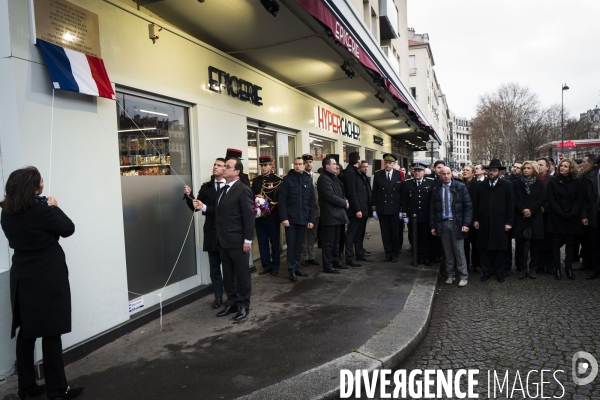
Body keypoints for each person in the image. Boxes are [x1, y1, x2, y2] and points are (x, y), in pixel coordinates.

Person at [1, 167, 83, 400]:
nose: (44, 182)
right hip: (47, 275)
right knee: (51, 332)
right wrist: (55, 206)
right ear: (34, 187)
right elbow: (68, 228)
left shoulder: (6, 212)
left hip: (22, 275)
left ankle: (26, 389)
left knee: (26, 333)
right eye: (41, 181)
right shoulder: (42, 211)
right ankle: (57, 390)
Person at [202, 158, 254, 321]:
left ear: (237, 172)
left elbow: (248, 217)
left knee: (242, 275)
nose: (224, 169)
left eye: (227, 167)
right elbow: (218, 213)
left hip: (238, 241)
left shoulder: (242, 189)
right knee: (228, 274)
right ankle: (231, 303)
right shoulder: (223, 189)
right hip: (222, 241)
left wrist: (248, 240)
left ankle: (244, 305)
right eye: (223, 166)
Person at [184, 158, 227, 309]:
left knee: (229, 269)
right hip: (211, 234)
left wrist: (205, 208)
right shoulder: (206, 187)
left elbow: (224, 211)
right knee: (214, 269)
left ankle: (232, 296)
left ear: (225, 169)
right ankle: (217, 297)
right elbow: (196, 207)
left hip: (227, 235)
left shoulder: (230, 187)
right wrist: (189, 197)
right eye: (214, 165)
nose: (215, 167)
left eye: (219, 165)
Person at [473, 159, 514, 282]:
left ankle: (499, 271)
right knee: (484, 248)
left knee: (500, 248)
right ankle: (486, 271)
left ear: (499, 172)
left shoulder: (506, 185)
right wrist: (475, 219)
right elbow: (475, 204)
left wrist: (509, 222)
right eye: (490, 170)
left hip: (500, 222)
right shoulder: (481, 185)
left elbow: (511, 205)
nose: (492, 173)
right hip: (484, 222)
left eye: (494, 171)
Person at [430, 167, 472, 287]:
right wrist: (433, 225)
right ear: (440, 175)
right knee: (447, 251)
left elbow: (468, 207)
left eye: (448, 174)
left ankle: (463, 276)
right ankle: (450, 275)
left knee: (459, 251)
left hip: (456, 223)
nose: (446, 176)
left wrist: (466, 224)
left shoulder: (460, 187)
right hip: (443, 223)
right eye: (444, 174)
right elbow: (432, 209)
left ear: (452, 174)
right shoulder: (436, 188)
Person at [546, 158, 584, 280]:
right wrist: (560, 212)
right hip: (557, 217)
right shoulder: (553, 181)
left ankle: (568, 268)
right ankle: (557, 268)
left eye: (566, 166)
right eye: (561, 166)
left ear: (571, 168)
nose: (562, 168)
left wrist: (572, 213)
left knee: (570, 244)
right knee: (555, 243)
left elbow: (580, 199)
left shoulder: (577, 182)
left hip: (572, 217)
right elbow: (551, 199)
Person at [279, 157, 315, 282]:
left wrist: (311, 219)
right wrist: (284, 218)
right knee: (291, 245)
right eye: (296, 164)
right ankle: (291, 269)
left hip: (303, 218)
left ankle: (297, 267)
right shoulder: (287, 180)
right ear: (293, 165)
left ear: (304, 165)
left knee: (299, 245)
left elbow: (311, 201)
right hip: (290, 219)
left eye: (300, 164)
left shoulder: (307, 179)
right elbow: (282, 201)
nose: (298, 166)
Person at [513, 161, 545, 279]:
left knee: (535, 244)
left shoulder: (539, 184)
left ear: (534, 170)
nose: (526, 170)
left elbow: (541, 198)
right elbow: (514, 199)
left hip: (535, 216)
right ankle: (522, 268)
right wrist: (523, 209)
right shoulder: (516, 183)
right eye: (524, 168)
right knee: (521, 244)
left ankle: (532, 267)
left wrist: (531, 209)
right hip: (521, 216)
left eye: (528, 168)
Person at [317, 156, 350, 273]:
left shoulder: (333, 177)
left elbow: (339, 193)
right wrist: (344, 203)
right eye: (334, 164)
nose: (337, 166)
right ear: (327, 166)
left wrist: (344, 200)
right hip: (330, 214)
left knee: (336, 241)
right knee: (328, 242)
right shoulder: (324, 178)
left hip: (337, 214)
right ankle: (327, 265)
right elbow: (330, 196)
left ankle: (335, 261)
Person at [252, 156, 283, 276]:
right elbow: (252, 194)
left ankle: (275, 265)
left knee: (274, 243)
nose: (263, 168)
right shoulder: (256, 180)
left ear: (271, 166)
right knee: (262, 243)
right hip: (260, 218)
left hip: (272, 216)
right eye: (262, 166)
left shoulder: (277, 180)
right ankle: (266, 265)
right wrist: (257, 204)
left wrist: (267, 205)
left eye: (266, 165)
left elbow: (278, 198)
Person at [372, 154, 403, 262]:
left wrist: (401, 210)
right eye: (386, 163)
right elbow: (374, 192)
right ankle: (388, 254)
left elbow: (401, 193)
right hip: (383, 208)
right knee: (385, 233)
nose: (388, 165)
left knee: (395, 233)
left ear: (394, 164)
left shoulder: (399, 174)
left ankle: (395, 254)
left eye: (390, 163)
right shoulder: (378, 174)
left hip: (394, 208)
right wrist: (374, 209)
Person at [402, 162, 435, 265]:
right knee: (413, 238)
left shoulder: (431, 182)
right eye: (415, 171)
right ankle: (416, 257)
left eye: (419, 171)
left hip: (425, 216)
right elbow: (404, 200)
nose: (417, 173)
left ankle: (425, 257)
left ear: (424, 172)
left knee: (425, 238)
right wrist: (404, 214)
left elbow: (432, 200)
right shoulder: (407, 183)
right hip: (412, 216)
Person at [343, 152, 371, 266]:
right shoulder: (350, 173)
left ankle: (359, 254)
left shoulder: (356, 172)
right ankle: (349, 257)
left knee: (360, 234)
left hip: (362, 209)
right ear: (358, 160)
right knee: (351, 234)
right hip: (356, 210)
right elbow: (352, 193)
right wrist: (357, 209)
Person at [582, 156, 600, 279]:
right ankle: (596, 269)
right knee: (595, 244)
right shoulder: (590, 177)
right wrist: (584, 215)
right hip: (595, 214)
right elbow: (584, 198)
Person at [535, 157, 554, 274]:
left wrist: (544, 207)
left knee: (549, 240)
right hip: (536, 214)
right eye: (537, 164)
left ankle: (549, 264)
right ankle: (539, 264)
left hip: (548, 214)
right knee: (538, 240)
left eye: (541, 165)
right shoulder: (533, 179)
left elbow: (554, 197)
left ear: (547, 167)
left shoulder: (552, 180)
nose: (539, 166)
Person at [301, 154, 320, 267]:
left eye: (310, 162)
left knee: (312, 234)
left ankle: (311, 256)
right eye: (306, 162)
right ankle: (304, 257)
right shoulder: (301, 176)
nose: (309, 164)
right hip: (304, 210)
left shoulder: (318, 177)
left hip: (315, 210)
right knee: (304, 235)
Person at [461, 165, 480, 273]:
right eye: (463, 170)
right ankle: (466, 264)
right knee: (464, 244)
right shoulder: (459, 184)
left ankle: (476, 263)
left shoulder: (478, 185)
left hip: (474, 217)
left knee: (475, 243)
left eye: (467, 170)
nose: (464, 171)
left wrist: (477, 219)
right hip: (462, 218)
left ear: (473, 173)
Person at [358, 160, 373, 254]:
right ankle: (359, 250)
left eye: (367, 166)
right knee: (359, 232)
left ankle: (361, 248)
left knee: (362, 231)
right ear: (360, 168)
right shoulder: (359, 178)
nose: (366, 168)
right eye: (363, 167)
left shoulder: (366, 178)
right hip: (360, 209)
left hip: (366, 208)